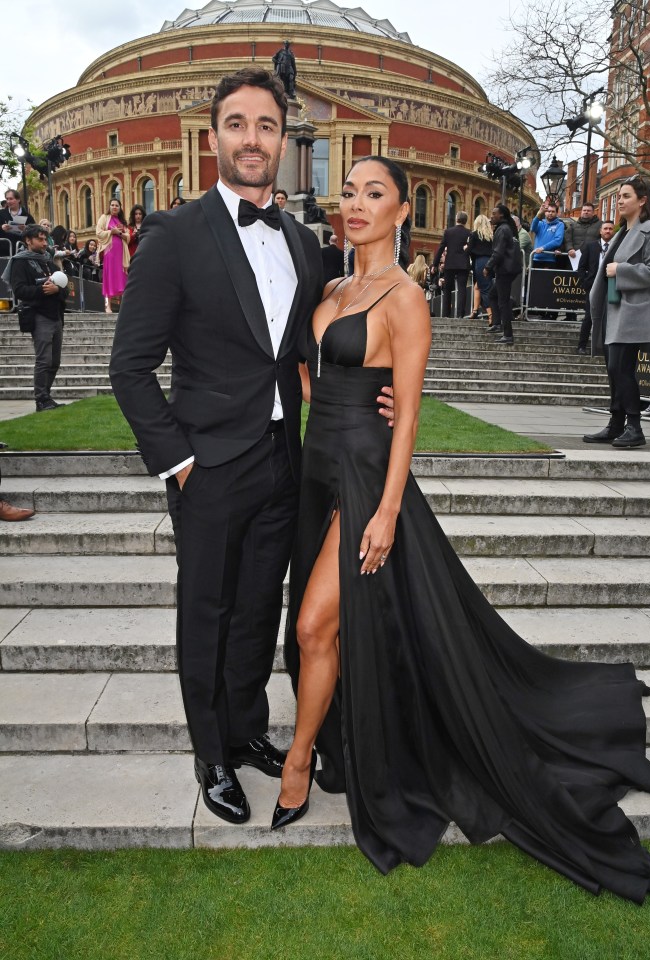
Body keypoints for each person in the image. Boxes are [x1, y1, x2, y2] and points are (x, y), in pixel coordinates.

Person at [275, 154, 650, 905]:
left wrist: (389, 509)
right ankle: (330, 739)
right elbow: (307, 372)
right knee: (322, 625)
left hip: (364, 479)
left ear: (401, 214)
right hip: (315, 469)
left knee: (316, 624)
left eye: (375, 194)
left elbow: (411, 415)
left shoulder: (405, 299)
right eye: (350, 192)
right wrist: (323, 396)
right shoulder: (330, 288)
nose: (356, 204)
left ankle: (299, 762)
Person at [109, 68, 393, 828]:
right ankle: (211, 754)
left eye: (266, 126)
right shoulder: (174, 234)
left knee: (259, 609)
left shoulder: (303, 243)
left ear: (282, 138)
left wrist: (381, 390)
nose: (252, 139)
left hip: (283, 460)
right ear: (214, 139)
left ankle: (245, 729)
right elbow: (128, 368)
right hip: (206, 465)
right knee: (206, 609)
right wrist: (179, 460)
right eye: (237, 124)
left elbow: (322, 343)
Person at [585, 175, 650, 449]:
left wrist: (621, 270)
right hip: (613, 308)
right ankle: (616, 424)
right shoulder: (621, 233)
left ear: (642, 200)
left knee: (621, 368)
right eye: (619, 196)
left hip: (634, 311)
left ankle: (634, 426)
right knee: (613, 369)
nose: (620, 201)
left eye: (626, 196)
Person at [7, 223, 67, 411]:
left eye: (45, 239)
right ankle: (41, 399)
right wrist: (42, 290)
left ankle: (46, 396)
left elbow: (65, 288)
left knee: (55, 361)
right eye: (40, 239)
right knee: (44, 360)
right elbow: (19, 290)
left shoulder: (48, 260)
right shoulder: (20, 262)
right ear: (28, 240)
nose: (44, 243)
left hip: (56, 315)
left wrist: (57, 289)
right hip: (39, 315)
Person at [576, 220, 615, 354]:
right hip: (592, 286)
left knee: (609, 317)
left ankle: (605, 347)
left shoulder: (616, 247)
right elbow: (581, 267)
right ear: (600, 231)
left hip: (611, 286)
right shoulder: (590, 246)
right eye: (605, 228)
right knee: (589, 316)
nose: (608, 231)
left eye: (610, 229)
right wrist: (585, 282)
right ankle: (581, 345)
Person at [484, 204, 519, 345]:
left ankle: (508, 335)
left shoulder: (502, 230)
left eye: (494, 213)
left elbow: (498, 252)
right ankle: (497, 324)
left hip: (504, 270)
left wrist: (487, 267)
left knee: (503, 302)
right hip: (506, 269)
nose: (491, 216)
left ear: (501, 216)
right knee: (493, 295)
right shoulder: (505, 228)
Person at [561, 202, 603, 322]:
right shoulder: (573, 225)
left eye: (588, 210)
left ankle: (587, 316)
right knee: (570, 288)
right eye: (584, 210)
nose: (586, 212)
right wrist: (569, 248)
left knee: (589, 288)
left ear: (593, 212)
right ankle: (570, 316)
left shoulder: (600, 225)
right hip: (573, 260)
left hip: (591, 262)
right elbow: (567, 238)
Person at [529, 200, 565, 320]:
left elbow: (558, 240)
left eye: (552, 212)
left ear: (557, 213)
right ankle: (539, 311)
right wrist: (539, 214)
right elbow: (532, 228)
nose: (550, 213)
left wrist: (543, 248)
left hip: (549, 260)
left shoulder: (559, 225)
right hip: (536, 259)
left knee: (549, 287)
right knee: (537, 286)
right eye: (548, 211)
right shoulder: (541, 222)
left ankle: (551, 313)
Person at [432, 211, 471, 319]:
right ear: (466, 220)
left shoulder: (448, 232)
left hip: (450, 264)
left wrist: (435, 264)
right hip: (463, 264)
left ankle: (446, 314)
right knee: (462, 288)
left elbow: (441, 248)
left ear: (456, 219)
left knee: (447, 289)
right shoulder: (469, 233)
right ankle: (460, 314)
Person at [96, 198, 130, 312]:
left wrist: (119, 233)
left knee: (122, 276)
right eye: (112, 205)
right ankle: (108, 306)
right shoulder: (104, 218)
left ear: (120, 208)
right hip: (109, 252)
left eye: (117, 205)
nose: (114, 207)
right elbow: (99, 233)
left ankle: (123, 306)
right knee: (109, 276)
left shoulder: (122, 222)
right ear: (109, 207)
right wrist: (111, 232)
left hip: (121, 253)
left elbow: (128, 237)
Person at [465, 214, 494, 324]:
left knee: (484, 289)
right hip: (490, 262)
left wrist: (465, 248)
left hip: (480, 262)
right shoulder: (491, 236)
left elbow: (469, 251)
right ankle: (475, 311)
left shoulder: (474, 234)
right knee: (477, 286)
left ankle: (491, 315)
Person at [0, 189, 35, 254]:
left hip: (21, 251)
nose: (8, 201)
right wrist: (1, 227)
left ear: (18, 199)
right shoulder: (1, 214)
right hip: (3, 252)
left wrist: (26, 229)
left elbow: (34, 231)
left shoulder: (27, 216)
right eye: (7, 199)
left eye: (11, 199)